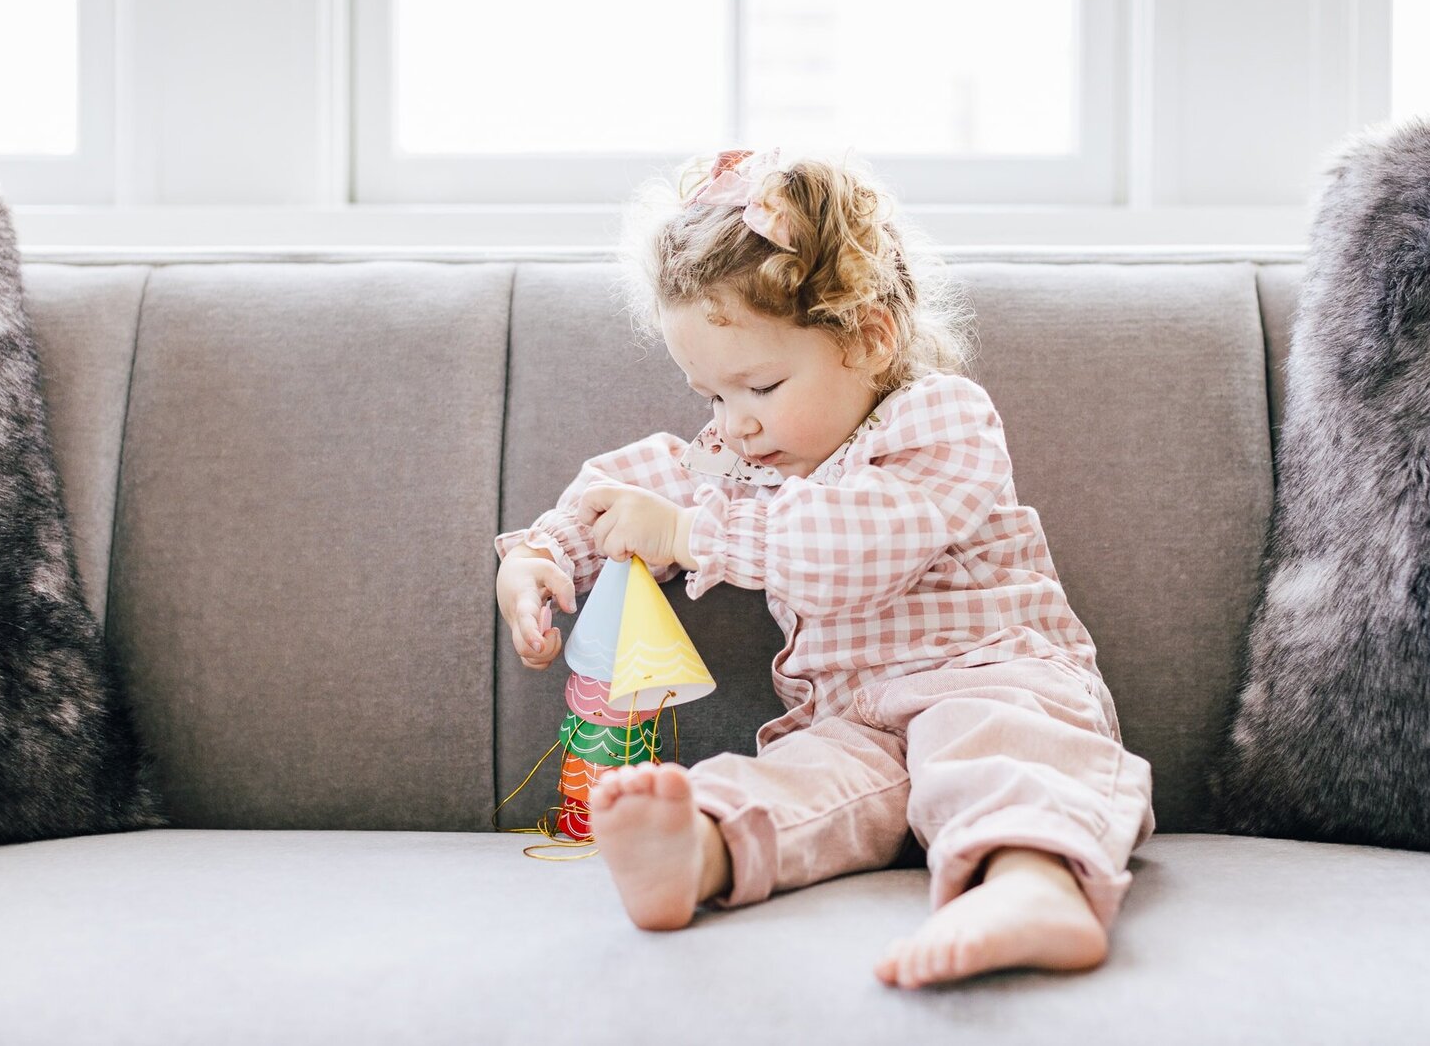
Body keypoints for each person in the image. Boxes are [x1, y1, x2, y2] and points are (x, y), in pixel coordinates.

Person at [493, 149, 1154, 988]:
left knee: (1002, 752)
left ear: (871, 339)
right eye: (711, 398)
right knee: (794, 783)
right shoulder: (744, 458)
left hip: (989, 677)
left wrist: (693, 535)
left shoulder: (941, 422)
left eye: (760, 385)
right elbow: (630, 486)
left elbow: (854, 551)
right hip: (852, 723)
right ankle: (697, 849)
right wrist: (545, 554)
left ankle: (1036, 885)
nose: (733, 426)